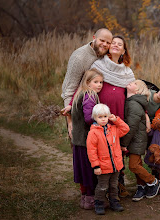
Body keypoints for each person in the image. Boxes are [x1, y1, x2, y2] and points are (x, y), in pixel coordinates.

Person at [91, 35, 135, 197]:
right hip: (102, 113)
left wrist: (143, 114)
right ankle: (101, 186)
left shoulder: (127, 72)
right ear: (109, 47)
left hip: (119, 114)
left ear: (124, 50)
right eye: (113, 43)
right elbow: (90, 83)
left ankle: (118, 184)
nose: (115, 45)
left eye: (120, 44)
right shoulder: (98, 65)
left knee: (117, 147)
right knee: (102, 147)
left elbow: (133, 95)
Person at [61, 28, 112, 138]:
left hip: (97, 110)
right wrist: (70, 121)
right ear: (94, 38)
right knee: (80, 146)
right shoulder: (79, 58)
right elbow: (69, 89)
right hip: (78, 108)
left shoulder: (106, 55)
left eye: (108, 43)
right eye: (102, 40)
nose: (105, 44)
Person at [120, 80, 160, 201]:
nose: (130, 83)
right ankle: (141, 186)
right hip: (135, 139)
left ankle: (153, 181)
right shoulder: (132, 102)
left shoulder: (134, 105)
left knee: (133, 166)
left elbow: (131, 127)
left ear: (137, 90)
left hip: (136, 140)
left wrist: (124, 143)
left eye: (134, 83)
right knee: (137, 164)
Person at [86, 104, 130, 215]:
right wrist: (96, 166)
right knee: (102, 186)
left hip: (116, 165)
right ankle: (99, 203)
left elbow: (126, 129)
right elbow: (91, 151)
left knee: (114, 185)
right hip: (103, 166)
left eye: (105, 116)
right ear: (95, 118)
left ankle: (114, 202)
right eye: (100, 117)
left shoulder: (113, 129)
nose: (103, 119)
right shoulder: (93, 133)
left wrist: (116, 119)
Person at [70, 69, 104, 209]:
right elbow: (89, 118)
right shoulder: (90, 95)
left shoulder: (79, 94)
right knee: (89, 170)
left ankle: (84, 197)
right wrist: (103, 117)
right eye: (96, 82)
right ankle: (90, 199)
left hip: (77, 140)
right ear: (87, 82)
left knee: (81, 169)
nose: (99, 85)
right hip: (86, 140)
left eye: (101, 82)